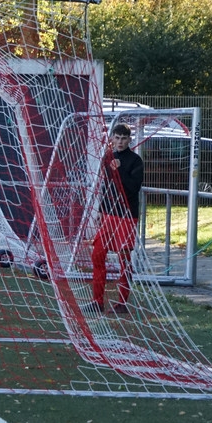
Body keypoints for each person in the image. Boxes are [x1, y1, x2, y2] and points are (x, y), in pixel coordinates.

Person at [86, 123, 144, 315]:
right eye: (117, 138)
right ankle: (97, 301)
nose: (120, 142)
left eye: (124, 138)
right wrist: (100, 211)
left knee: (124, 259)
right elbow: (107, 186)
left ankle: (122, 303)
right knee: (97, 254)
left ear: (129, 140)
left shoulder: (135, 161)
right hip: (109, 214)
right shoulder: (108, 157)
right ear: (111, 138)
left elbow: (133, 188)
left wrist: (119, 171)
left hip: (126, 216)